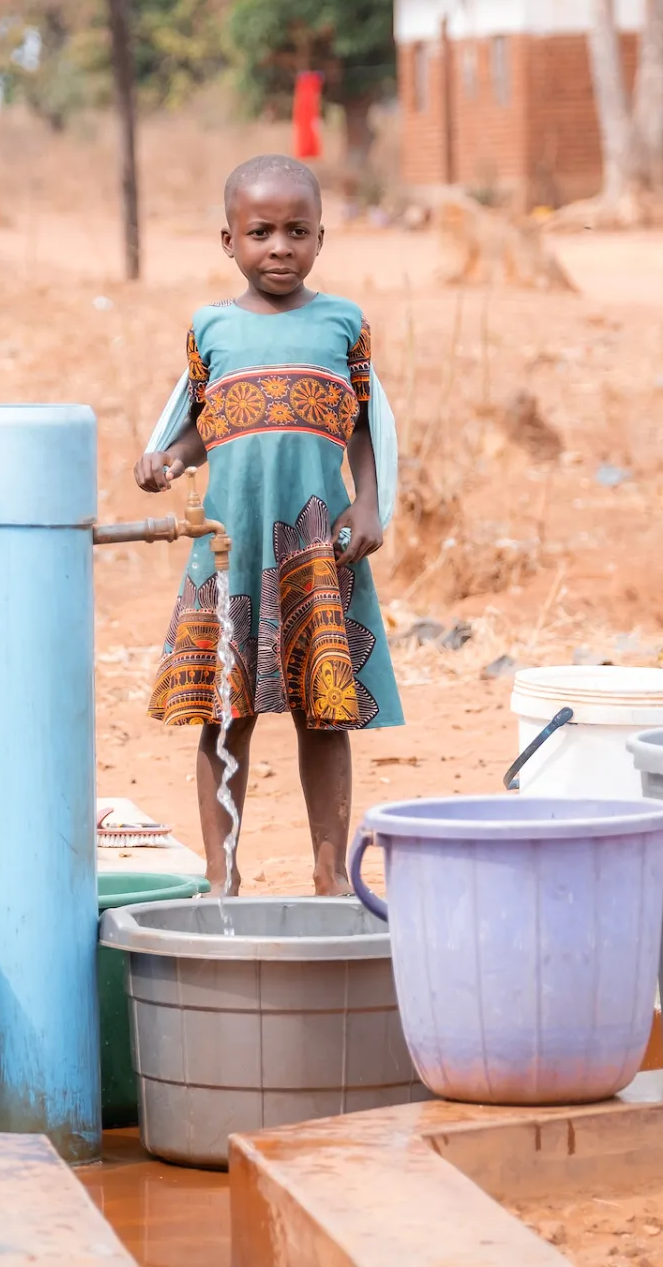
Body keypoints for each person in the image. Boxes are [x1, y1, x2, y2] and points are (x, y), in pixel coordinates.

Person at [136, 155, 401, 895]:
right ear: (229, 241)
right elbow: (197, 428)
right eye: (260, 232)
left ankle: (329, 876)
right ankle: (222, 876)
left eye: (297, 231)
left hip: (318, 542)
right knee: (226, 712)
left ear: (322, 238)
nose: (278, 247)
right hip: (232, 546)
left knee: (325, 715)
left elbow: (364, 426)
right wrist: (166, 460)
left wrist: (371, 502)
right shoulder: (210, 328)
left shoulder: (343, 323)